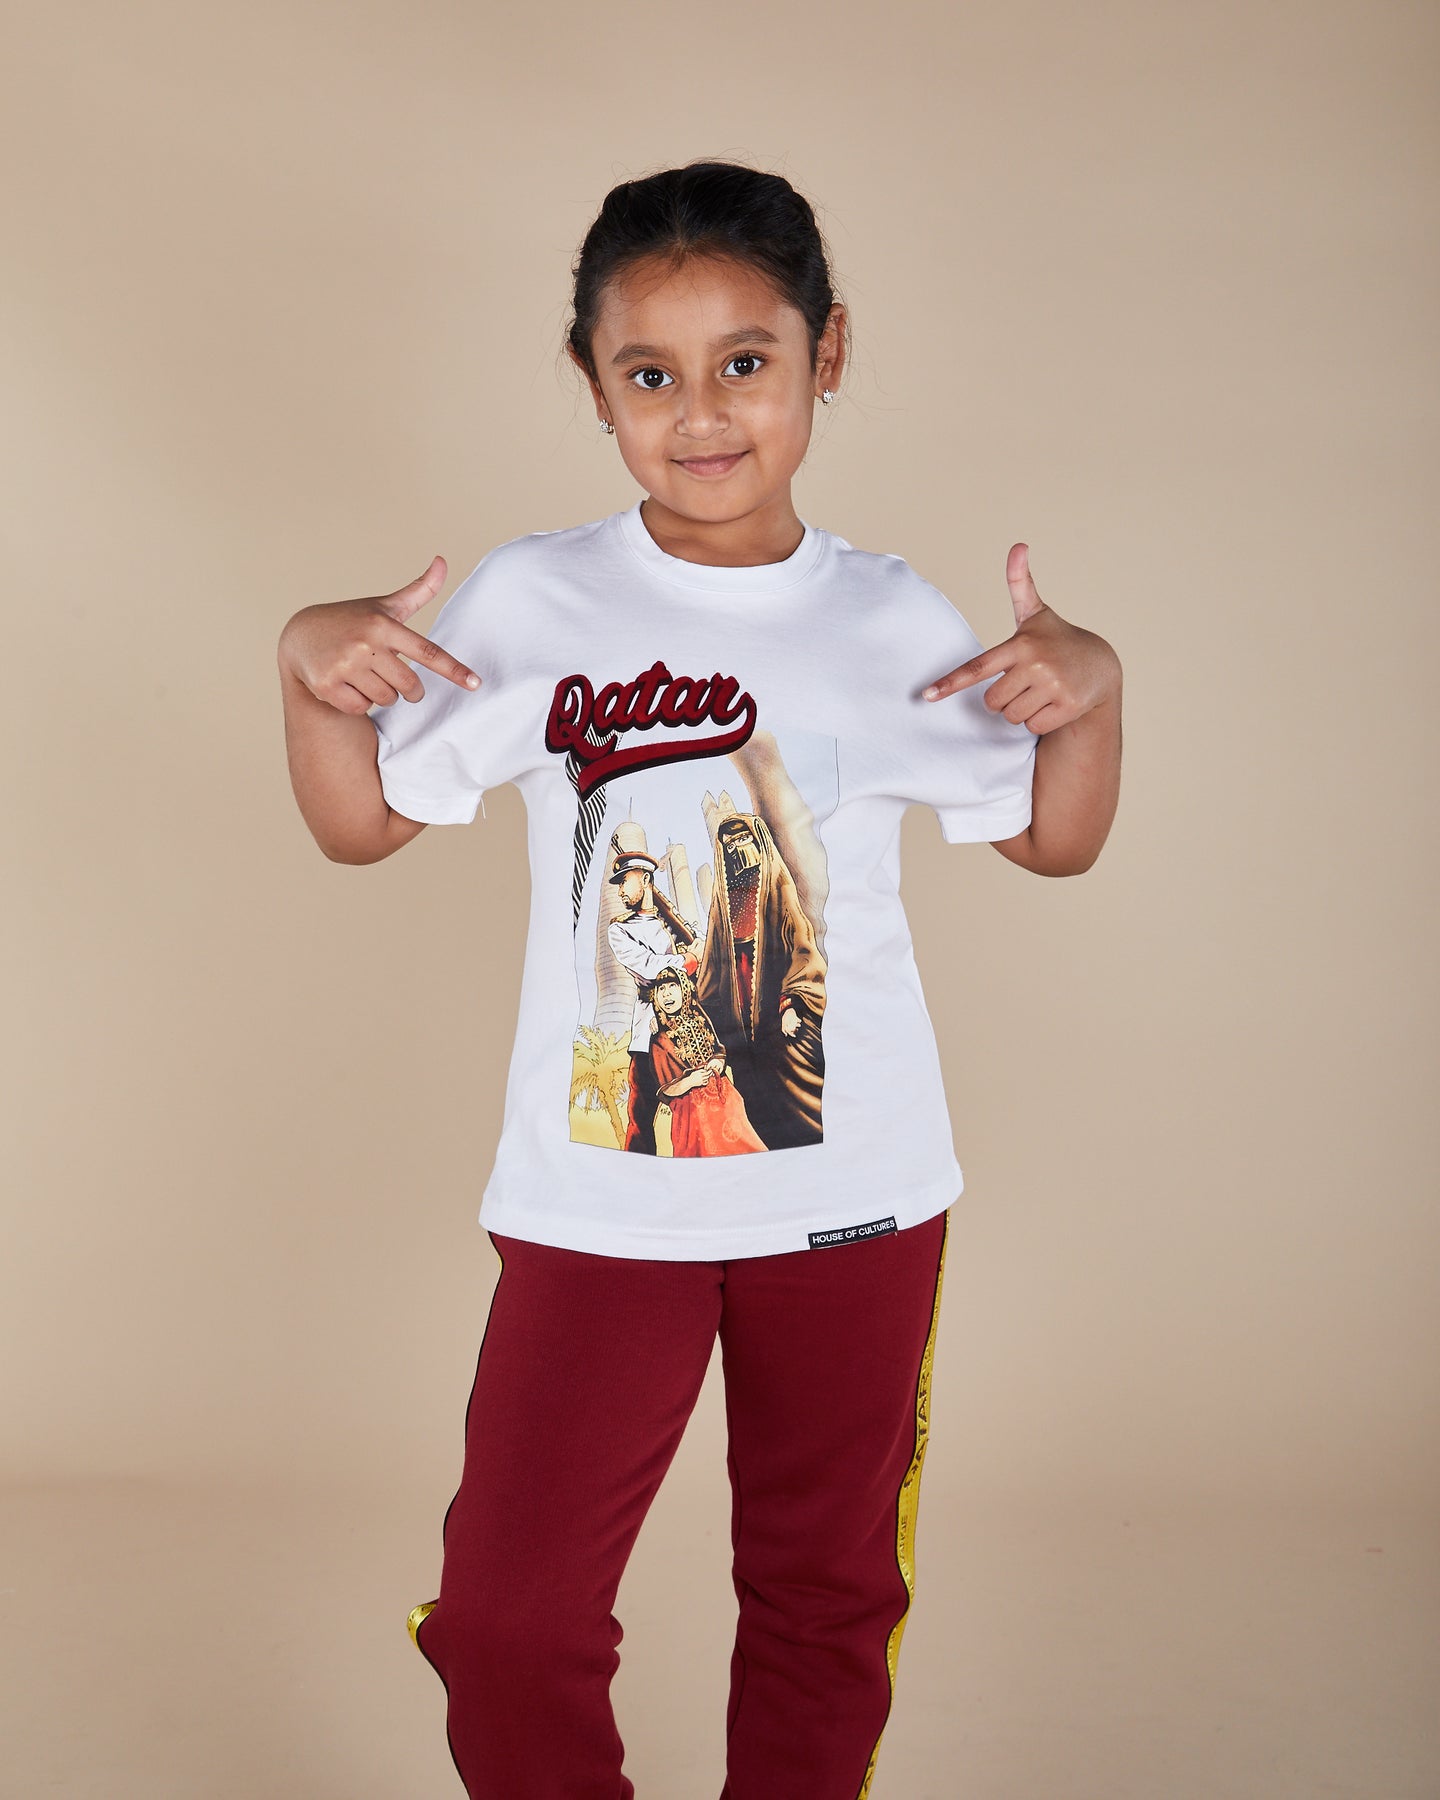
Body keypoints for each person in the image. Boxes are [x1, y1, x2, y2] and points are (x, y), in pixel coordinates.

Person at [276, 159, 1122, 1800]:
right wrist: (309, 670)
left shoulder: (889, 616)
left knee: (823, 1598)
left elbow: (1053, 838)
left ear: (827, 352)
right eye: (650, 374)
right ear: (591, 384)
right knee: (508, 1620)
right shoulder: (536, 599)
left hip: (857, 1201)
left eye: (747, 360)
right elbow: (361, 822)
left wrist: (1093, 692)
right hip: (601, 1201)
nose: (705, 411)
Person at [648, 965, 767, 1156]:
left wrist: (718, 1062)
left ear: (685, 989)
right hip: (690, 1107)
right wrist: (690, 1081)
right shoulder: (660, 1040)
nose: (666, 994)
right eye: (661, 988)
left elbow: (718, 1049)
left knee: (740, 1130)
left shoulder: (700, 1019)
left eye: (672, 986)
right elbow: (665, 1089)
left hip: (721, 1093)